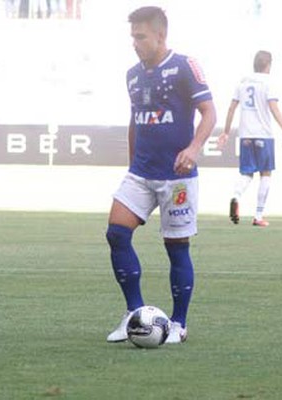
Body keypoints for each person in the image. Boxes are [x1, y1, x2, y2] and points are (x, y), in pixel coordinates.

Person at [106, 6, 216, 344]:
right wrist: (131, 163)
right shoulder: (132, 75)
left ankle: (179, 324)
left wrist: (193, 149)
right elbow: (134, 120)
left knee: (176, 249)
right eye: (133, 37)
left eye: (140, 37)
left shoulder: (184, 66)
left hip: (177, 177)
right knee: (116, 234)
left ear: (160, 35)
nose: (135, 43)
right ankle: (133, 314)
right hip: (141, 172)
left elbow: (209, 112)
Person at [218, 50, 282, 227]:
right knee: (266, 173)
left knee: (246, 173)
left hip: (245, 134)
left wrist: (227, 131)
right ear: (268, 65)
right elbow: (274, 108)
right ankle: (258, 215)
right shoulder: (268, 83)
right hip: (263, 134)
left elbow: (231, 108)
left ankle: (236, 196)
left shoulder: (243, 82)